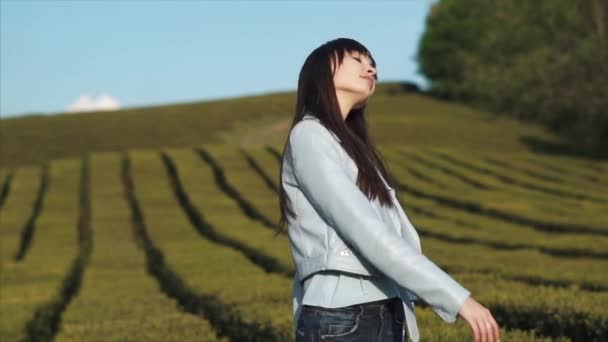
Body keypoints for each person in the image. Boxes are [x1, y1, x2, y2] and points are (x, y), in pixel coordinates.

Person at [276, 38, 500, 342]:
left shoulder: (356, 151)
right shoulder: (310, 136)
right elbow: (368, 233)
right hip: (345, 316)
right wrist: (458, 300)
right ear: (322, 70)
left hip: (384, 311)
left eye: (373, 64)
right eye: (357, 59)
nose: (370, 68)